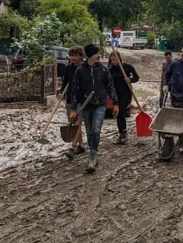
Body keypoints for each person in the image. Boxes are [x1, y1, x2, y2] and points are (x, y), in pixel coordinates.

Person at [70, 44, 118, 172]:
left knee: (96, 129)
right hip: (86, 106)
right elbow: (75, 90)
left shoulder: (103, 70)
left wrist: (115, 103)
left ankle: (92, 157)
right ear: (92, 55)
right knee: (90, 131)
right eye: (97, 53)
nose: (99, 55)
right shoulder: (80, 71)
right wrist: (73, 109)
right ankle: (93, 152)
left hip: (100, 105)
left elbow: (110, 86)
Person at [59, 46, 86, 160]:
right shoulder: (68, 68)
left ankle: (72, 147)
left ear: (81, 56)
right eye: (72, 56)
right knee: (73, 122)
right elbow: (65, 82)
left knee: (77, 123)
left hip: (82, 100)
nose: (73, 58)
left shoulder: (85, 68)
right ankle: (81, 145)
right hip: (70, 99)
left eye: (76, 55)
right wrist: (62, 92)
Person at [108, 51, 139, 145]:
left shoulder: (127, 67)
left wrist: (130, 80)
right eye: (112, 60)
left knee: (121, 110)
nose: (113, 62)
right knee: (118, 114)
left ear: (119, 58)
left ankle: (124, 133)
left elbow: (137, 77)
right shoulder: (110, 70)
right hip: (115, 94)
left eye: (115, 59)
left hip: (126, 93)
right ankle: (121, 133)